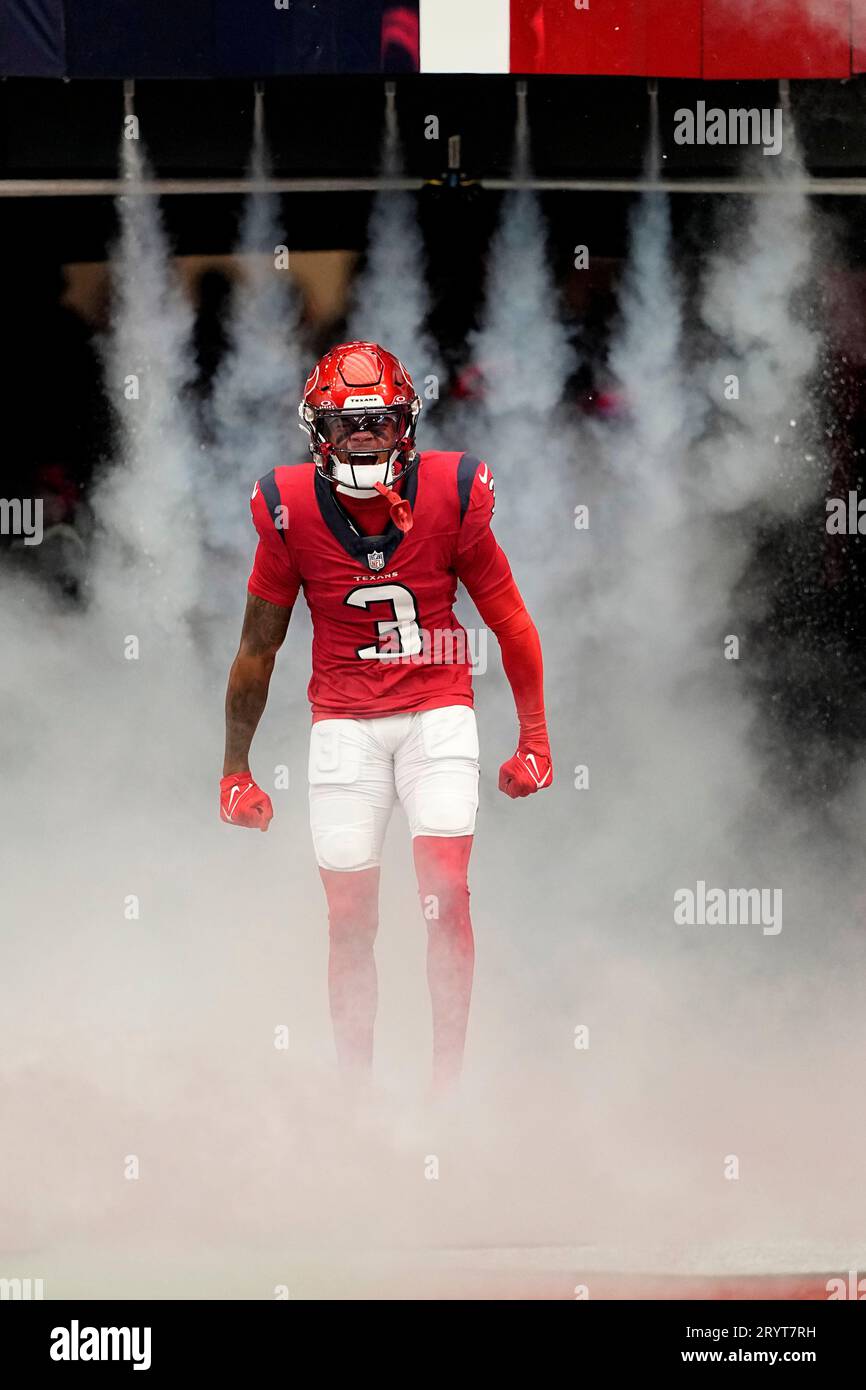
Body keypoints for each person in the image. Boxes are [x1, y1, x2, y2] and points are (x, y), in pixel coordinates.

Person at [220, 341, 552, 1094]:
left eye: (376, 422)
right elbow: (256, 649)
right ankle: (353, 1099)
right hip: (344, 727)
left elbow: (510, 620)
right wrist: (235, 769)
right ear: (317, 435)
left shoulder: (451, 491)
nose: (362, 438)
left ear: (406, 425)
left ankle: (446, 1091)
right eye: (346, 426)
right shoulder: (289, 505)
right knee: (350, 920)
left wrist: (534, 739)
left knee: (443, 895)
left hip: (438, 713)